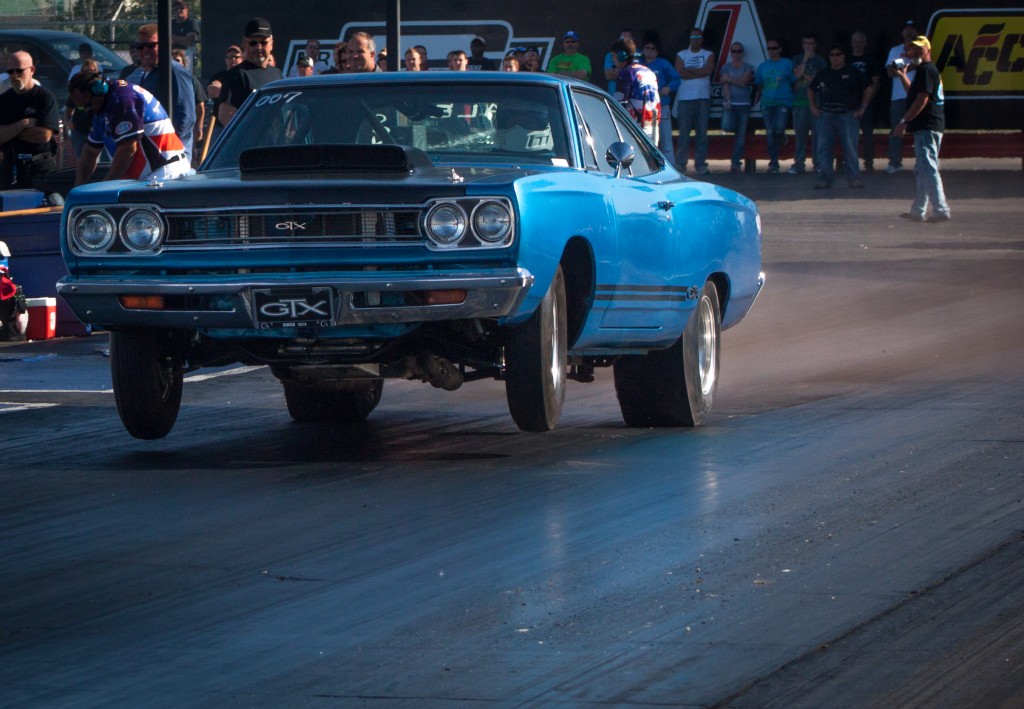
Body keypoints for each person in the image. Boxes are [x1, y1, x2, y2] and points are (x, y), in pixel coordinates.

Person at [68, 71, 190, 186]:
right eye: (81, 108)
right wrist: (77, 189)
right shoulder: (101, 109)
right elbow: (90, 152)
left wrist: (107, 186)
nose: (86, 110)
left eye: (87, 105)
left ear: (99, 90)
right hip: (148, 178)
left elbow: (128, 148)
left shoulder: (124, 99)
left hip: (165, 174)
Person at [893, 36, 949, 222]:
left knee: (928, 167)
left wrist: (903, 121)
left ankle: (941, 208)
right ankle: (918, 210)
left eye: (920, 49)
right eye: (913, 49)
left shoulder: (926, 70)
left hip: (928, 125)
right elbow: (914, 95)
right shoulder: (924, 72)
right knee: (922, 168)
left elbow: (922, 99)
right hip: (928, 125)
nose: (915, 52)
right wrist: (902, 75)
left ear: (928, 51)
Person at [128, 23, 196, 163]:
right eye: (140, 46)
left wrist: (168, 145)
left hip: (172, 155)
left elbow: (186, 116)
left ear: (165, 45)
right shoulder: (147, 73)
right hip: (154, 153)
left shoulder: (174, 71)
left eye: (151, 45)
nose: (145, 50)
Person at [808, 44, 870, 189]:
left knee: (850, 147)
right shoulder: (823, 73)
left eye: (838, 54)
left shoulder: (853, 71)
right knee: (823, 148)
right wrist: (813, 107)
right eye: (832, 55)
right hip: (826, 114)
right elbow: (811, 89)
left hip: (847, 114)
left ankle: (854, 178)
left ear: (843, 56)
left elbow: (868, 88)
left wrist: (862, 107)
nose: (835, 57)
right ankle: (824, 179)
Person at [0, 51, 60, 190]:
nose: (14, 75)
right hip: (11, 166)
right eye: (10, 71)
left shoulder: (44, 98)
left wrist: (10, 133)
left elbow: (43, 135)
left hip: (39, 166)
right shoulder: (3, 100)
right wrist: (24, 124)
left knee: (48, 205)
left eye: (19, 71)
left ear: (31, 70)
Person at [218, 17, 283, 127]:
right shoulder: (237, 74)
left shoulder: (277, 74)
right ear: (244, 43)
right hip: (253, 143)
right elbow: (225, 114)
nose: (259, 47)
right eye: (253, 43)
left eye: (263, 42)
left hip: (278, 143)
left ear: (271, 43)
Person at [673, 27, 715, 174]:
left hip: (703, 98)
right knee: (684, 132)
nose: (695, 40)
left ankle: (700, 164)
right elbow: (679, 73)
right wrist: (698, 72)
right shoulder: (681, 54)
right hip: (685, 98)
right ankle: (680, 164)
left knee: (702, 133)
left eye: (698, 37)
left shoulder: (708, 54)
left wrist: (689, 70)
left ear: (702, 39)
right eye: (693, 37)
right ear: (689, 39)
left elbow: (707, 71)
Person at [753, 39, 795, 174]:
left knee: (778, 129)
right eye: (769, 48)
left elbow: (794, 81)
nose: (772, 51)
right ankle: (773, 162)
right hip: (767, 102)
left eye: (774, 48)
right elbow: (758, 83)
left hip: (783, 101)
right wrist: (765, 93)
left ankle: (782, 136)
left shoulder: (787, 63)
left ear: (780, 49)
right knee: (770, 132)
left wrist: (788, 94)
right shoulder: (763, 66)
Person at [788, 34, 825, 175]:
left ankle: (818, 164)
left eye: (811, 43)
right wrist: (804, 60)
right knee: (800, 135)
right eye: (806, 43)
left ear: (815, 45)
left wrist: (804, 75)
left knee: (817, 135)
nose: (808, 46)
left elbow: (818, 81)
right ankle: (799, 164)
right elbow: (796, 76)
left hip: (816, 102)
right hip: (799, 102)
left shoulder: (820, 61)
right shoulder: (797, 59)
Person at [611, 37, 659, 142]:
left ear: (621, 56)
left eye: (613, 56)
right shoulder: (648, 71)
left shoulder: (626, 73)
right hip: (653, 125)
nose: (613, 59)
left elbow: (619, 105)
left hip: (636, 128)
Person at [641, 35, 680, 165]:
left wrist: (669, 88)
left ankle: (672, 167)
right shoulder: (639, 65)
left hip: (662, 106)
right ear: (643, 50)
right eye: (647, 48)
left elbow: (676, 79)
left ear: (657, 51)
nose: (650, 50)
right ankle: (649, 167)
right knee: (647, 138)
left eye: (653, 48)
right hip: (644, 108)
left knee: (665, 139)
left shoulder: (663, 63)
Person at [885, 20, 918, 173]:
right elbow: (889, 72)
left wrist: (903, 67)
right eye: (906, 29)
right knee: (896, 130)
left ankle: (921, 163)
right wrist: (904, 68)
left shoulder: (921, 50)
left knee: (919, 129)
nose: (909, 32)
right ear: (902, 32)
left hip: (917, 96)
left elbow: (922, 65)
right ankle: (895, 162)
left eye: (912, 29)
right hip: (898, 97)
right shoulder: (894, 50)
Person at [849, 30, 882, 171]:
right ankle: (847, 161)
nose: (857, 45)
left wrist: (866, 102)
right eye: (855, 42)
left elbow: (876, 82)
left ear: (865, 43)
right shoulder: (846, 59)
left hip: (866, 103)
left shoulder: (871, 60)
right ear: (851, 43)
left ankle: (868, 162)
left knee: (867, 134)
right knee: (848, 134)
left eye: (860, 42)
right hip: (850, 104)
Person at [719, 42, 754, 173]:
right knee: (726, 126)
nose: (736, 54)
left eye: (738, 51)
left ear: (742, 53)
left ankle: (735, 163)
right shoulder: (725, 67)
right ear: (730, 53)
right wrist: (727, 99)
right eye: (733, 51)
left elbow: (744, 82)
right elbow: (725, 84)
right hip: (730, 103)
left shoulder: (748, 67)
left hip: (744, 104)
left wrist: (729, 79)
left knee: (740, 135)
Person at [172, 48, 205, 154]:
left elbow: (200, 106)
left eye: (177, 60)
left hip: (187, 130)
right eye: (172, 61)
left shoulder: (192, 80)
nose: (175, 63)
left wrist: (199, 128)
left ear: (183, 63)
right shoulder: (165, 79)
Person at [65, 57, 99, 158]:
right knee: (81, 159)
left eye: (93, 71)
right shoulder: (77, 89)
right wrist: (68, 121)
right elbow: (69, 108)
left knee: (94, 159)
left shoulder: (99, 90)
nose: (90, 74)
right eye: (87, 71)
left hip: (94, 130)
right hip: (78, 129)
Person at [170, 1, 200, 70]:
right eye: (176, 9)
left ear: (186, 9)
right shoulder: (170, 23)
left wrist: (173, 38)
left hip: (186, 54)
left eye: (181, 8)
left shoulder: (191, 23)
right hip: (172, 53)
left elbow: (189, 41)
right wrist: (180, 39)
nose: (178, 10)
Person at [603, 29, 633, 93]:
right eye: (622, 38)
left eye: (627, 39)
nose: (624, 41)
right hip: (614, 95)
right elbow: (609, 75)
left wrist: (617, 72)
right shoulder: (611, 54)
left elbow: (635, 76)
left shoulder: (637, 54)